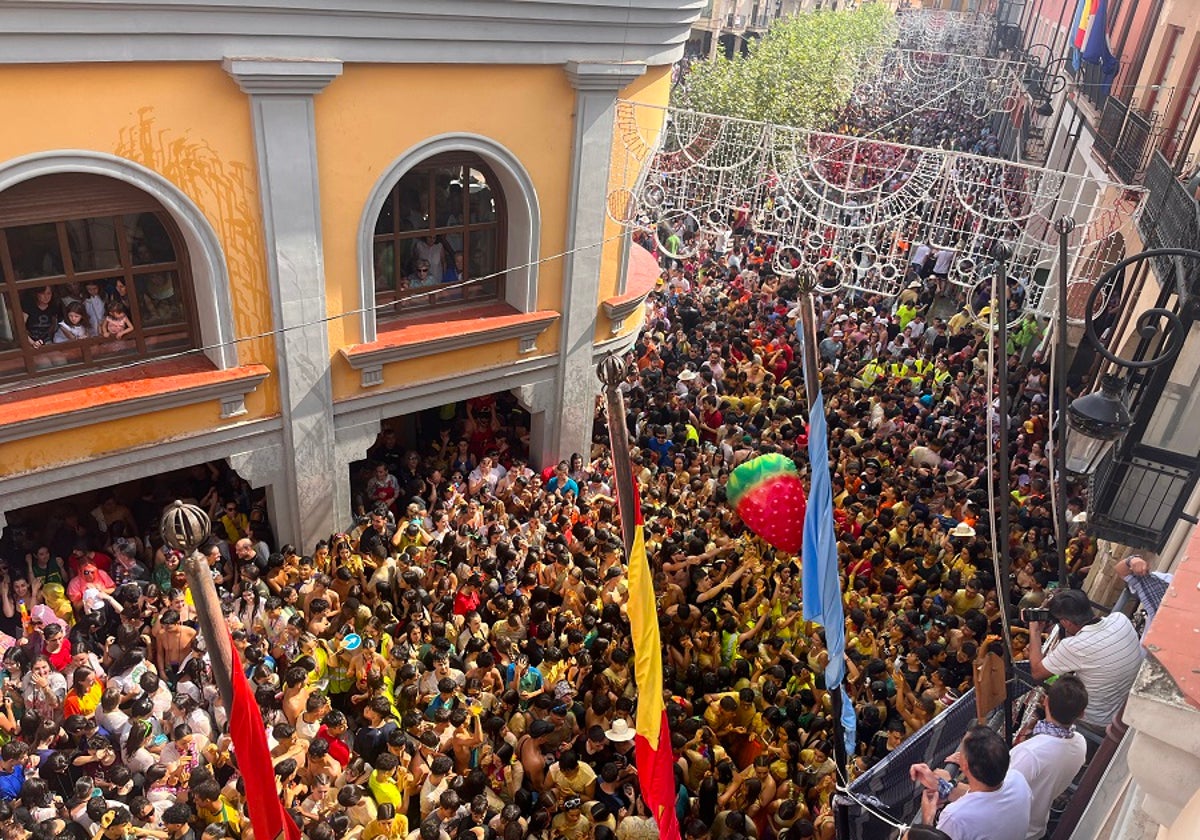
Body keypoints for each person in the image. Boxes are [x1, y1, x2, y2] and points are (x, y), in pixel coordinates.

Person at [1027, 589, 1144, 729]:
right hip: (1126, 705)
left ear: (1066, 622)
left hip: (1096, 721)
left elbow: (1037, 673)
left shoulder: (1074, 646)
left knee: (1047, 709)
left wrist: (1035, 632)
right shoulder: (1120, 619)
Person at [910, 726, 1032, 840]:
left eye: (962, 751)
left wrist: (927, 821)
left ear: (964, 765)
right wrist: (942, 786)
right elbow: (985, 797)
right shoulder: (1018, 779)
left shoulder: (955, 818)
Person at [1009, 676, 1089, 840]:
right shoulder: (1081, 744)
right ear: (1082, 714)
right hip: (1036, 830)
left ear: (1045, 701)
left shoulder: (1029, 753)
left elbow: (995, 796)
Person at [1112, 554, 1173, 632]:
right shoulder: (1163, 582)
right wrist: (1132, 561)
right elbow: (1121, 570)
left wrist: (1132, 561)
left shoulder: (1161, 586)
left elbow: (1122, 571)